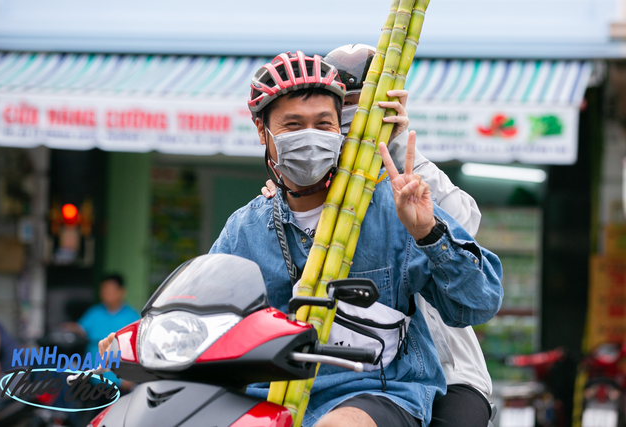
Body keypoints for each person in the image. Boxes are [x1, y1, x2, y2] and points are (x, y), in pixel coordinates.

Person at [98, 51, 502, 427]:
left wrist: (427, 232)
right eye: (293, 125)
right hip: (266, 400)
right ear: (263, 131)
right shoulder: (246, 228)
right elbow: (197, 314)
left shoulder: (391, 207)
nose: (311, 137)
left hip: (375, 394)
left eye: (324, 124)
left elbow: (478, 302)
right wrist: (138, 342)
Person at [260, 45, 493, 427]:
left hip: (447, 369)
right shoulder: (302, 193)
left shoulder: (398, 182)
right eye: (344, 105)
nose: (353, 116)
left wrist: (398, 145)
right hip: (350, 382)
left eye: (362, 104)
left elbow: (465, 223)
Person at [76, 274, 139, 391]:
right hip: (92, 381)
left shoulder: (132, 317)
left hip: (119, 383)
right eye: (103, 289)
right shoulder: (95, 313)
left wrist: (130, 377)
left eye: (110, 289)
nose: (105, 292)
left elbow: (136, 350)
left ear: (121, 291)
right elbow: (79, 330)